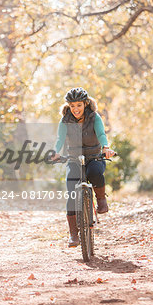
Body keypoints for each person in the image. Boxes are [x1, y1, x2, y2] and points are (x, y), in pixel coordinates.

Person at [52, 87, 115, 247]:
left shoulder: (94, 117)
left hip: (94, 156)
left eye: (79, 105)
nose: (76, 109)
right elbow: (60, 138)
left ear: (85, 104)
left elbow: (101, 134)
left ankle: (101, 199)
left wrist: (106, 147)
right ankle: (74, 234)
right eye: (72, 106)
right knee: (71, 192)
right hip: (74, 158)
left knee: (95, 173)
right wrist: (55, 152)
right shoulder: (65, 120)